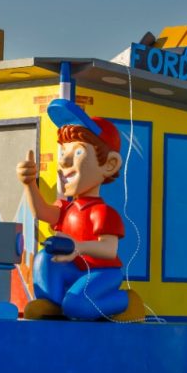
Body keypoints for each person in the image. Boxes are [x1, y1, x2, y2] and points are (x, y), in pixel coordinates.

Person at [16, 100, 144, 321]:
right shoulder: (66, 208)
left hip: (102, 273)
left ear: (110, 165)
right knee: (45, 257)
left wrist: (78, 247)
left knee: (78, 306)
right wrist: (29, 185)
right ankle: (54, 304)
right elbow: (42, 213)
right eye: (63, 151)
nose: (64, 161)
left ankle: (126, 301)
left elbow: (109, 250)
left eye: (77, 153)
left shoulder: (102, 212)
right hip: (75, 269)